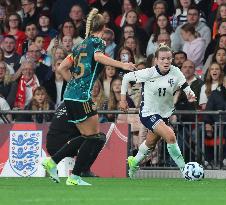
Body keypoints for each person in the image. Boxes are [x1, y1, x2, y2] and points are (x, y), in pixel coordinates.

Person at [42, 8, 135, 186]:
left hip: (70, 96)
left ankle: (53, 162)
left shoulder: (79, 45)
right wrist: (123, 64)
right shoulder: (97, 42)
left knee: (89, 136)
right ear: (103, 27)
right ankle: (74, 176)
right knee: (93, 137)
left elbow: (61, 68)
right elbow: (99, 57)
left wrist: (74, 84)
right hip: (82, 97)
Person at [119, 44, 196, 178]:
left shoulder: (175, 71)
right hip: (148, 113)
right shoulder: (148, 73)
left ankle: (134, 162)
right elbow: (126, 78)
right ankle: (185, 171)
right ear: (156, 60)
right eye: (162, 59)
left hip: (164, 114)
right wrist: (122, 99)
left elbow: (184, 85)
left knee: (150, 144)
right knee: (170, 136)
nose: (166, 61)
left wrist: (190, 93)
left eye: (168, 58)